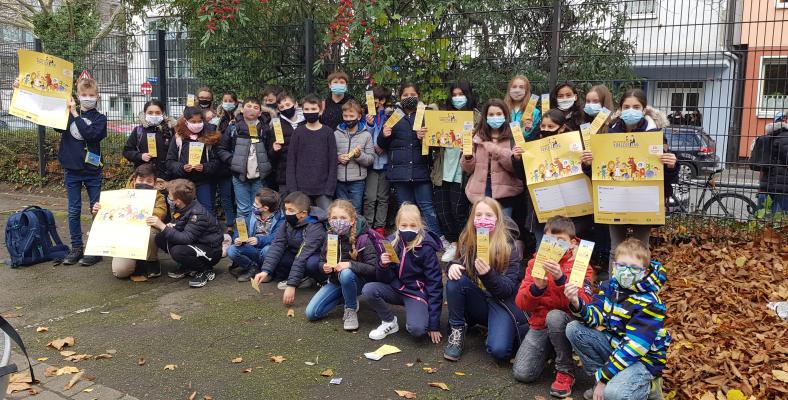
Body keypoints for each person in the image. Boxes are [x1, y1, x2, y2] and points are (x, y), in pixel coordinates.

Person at [565, 238, 671, 400]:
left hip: (642, 359)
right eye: (622, 266)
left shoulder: (651, 304)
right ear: (614, 266)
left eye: (634, 268)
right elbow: (595, 317)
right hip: (616, 347)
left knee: (614, 394)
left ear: (645, 271)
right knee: (574, 329)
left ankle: (648, 387)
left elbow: (634, 348)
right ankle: (605, 380)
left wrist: (603, 379)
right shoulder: (610, 286)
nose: (626, 272)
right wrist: (576, 303)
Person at [583, 89, 677, 255]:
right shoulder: (609, 134)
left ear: (644, 109)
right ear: (621, 109)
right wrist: (590, 164)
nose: (630, 110)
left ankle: (640, 281)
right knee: (615, 249)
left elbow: (666, 176)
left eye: (636, 106)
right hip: (615, 199)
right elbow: (599, 173)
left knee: (641, 248)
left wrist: (671, 165)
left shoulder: (655, 134)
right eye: (626, 107)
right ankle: (614, 281)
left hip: (644, 200)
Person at [512, 216, 594, 398]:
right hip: (540, 324)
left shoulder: (581, 264)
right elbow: (521, 303)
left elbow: (584, 303)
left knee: (555, 316)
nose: (555, 246)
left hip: (568, 325)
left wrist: (560, 280)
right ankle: (552, 349)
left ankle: (565, 369)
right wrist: (536, 288)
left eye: (561, 241)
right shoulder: (535, 263)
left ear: (572, 243)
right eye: (550, 240)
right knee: (522, 373)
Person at [443, 198, 528, 362]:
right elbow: (459, 261)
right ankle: (457, 331)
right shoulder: (469, 239)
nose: (483, 219)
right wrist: (451, 266)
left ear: (497, 218)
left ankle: (496, 326)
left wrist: (488, 274)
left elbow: (508, 289)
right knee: (455, 279)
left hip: (500, 302)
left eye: (489, 215)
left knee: (500, 352)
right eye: (479, 214)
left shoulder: (510, 247)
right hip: (478, 299)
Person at [361, 204, 443, 343]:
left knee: (417, 330)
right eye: (403, 225)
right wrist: (382, 265)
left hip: (416, 293)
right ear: (397, 225)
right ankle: (389, 321)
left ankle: (419, 313)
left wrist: (434, 325)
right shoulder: (391, 242)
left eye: (413, 225)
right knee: (369, 289)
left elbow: (435, 285)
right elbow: (384, 279)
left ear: (420, 226)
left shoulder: (426, 248)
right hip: (396, 288)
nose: (408, 229)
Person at [377, 82, 443, 239]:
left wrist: (424, 139)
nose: (409, 97)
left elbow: (437, 145)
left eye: (413, 94)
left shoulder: (426, 114)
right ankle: (407, 239)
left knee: (427, 206)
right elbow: (381, 145)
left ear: (418, 96)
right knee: (405, 207)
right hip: (399, 172)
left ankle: (436, 238)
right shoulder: (393, 116)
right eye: (405, 95)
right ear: (400, 97)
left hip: (422, 170)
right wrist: (384, 135)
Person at [304, 199, 379, 330]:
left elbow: (373, 268)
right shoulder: (330, 236)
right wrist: (323, 267)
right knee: (312, 313)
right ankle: (346, 297)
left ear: (352, 220)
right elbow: (321, 260)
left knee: (346, 273)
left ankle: (350, 310)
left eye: (343, 218)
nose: (338, 221)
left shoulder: (363, 238)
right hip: (335, 281)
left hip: (358, 281)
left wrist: (349, 264)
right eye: (334, 218)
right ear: (329, 220)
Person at [56, 78, 107, 266]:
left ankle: (96, 249)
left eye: (91, 95)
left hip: (92, 170)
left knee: (96, 209)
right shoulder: (67, 114)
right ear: (78, 96)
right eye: (84, 95)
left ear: (97, 97)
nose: (88, 98)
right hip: (72, 170)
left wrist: (76, 114)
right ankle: (76, 247)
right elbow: (49, 120)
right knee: (73, 210)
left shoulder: (100, 119)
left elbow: (91, 134)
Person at [92, 164, 167, 279]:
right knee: (120, 272)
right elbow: (108, 215)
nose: (144, 183)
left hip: (145, 231)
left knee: (153, 232)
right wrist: (98, 211)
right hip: (125, 238)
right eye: (141, 180)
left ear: (154, 182)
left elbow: (161, 213)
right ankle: (135, 261)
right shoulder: (121, 194)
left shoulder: (158, 196)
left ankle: (152, 260)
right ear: (134, 179)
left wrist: (141, 211)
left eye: (149, 181)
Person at [252, 191, 328, 305]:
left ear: (303, 213)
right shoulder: (288, 222)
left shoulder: (315, 226)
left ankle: (322, 281)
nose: (287, 213)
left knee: (311, 263)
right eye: (286, 209)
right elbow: (278, 244)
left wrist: (291, 286)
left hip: (313, 256)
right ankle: (302, 278)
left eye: (291, 210)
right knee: (268, 251)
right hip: (295, 254)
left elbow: (302, 255)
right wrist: (265, 271)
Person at [147, 179, 224, 288]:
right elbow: (182, 225)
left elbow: (186, 238)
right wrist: (172, 226)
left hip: (211, 251)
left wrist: (162, 226)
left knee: (177, 251)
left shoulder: (197, 214)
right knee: (160, 237)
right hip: (196, 243)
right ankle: (188, 266)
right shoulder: (183, 207)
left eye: (170, 196)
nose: (168, 198)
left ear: (178, 201)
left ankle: (205, 270)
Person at [433, 81, 475, 262]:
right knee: (443, 210)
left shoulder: (477, 117)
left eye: (461, 94)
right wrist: (427, 134)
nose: (458, 98)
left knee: (459, 210)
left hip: (462, 172)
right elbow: (432, 142)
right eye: (454, 95)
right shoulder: (443, 116)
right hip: (443, 170)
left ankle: (463, 244)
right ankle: (453, 242)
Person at [462, 99, 524, 218]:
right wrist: (468, 156)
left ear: (505, 115)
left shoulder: (514, 137)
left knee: (504, 227)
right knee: (483, 226)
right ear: (485, 117)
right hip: (480, 190)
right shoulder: (477, 136)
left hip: (505, 193)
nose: (495, 117)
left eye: (499, 114)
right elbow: (468, 169)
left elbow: (515, 168)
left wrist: (497, 150)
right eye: (491, 114)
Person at [216, 97, 276, 220]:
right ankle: (242, 237)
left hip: (259, 177)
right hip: (239, 177)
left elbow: (270, 154)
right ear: (242, 109)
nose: (252, 109)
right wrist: (233, 162)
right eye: (248, 106)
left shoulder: (265, 129)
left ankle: (256, 236)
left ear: (260, 113)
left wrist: (274, 151)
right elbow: (221, 149)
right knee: (243, 209)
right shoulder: (233, 128)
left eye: (256, 107)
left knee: (258, 209)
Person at [166, 106, 221, 214]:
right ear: (186, 121)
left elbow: (216, 161)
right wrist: (182, 167)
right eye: (193, 121)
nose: (197, 124)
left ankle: (206, 230)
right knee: (183, 211)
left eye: (199, 121)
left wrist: (205, 167)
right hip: (183, 183)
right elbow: (169, 161)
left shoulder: (210, 136)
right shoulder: (178, 137)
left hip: (203, 182)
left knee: (206, 210)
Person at [287, 94, 338, 210]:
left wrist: (329, 189)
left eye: (313, 109)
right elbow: (291, 162)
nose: (310, 112)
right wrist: (293, 189)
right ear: (302, 111)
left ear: (320, 111)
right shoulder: (298, 132)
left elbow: (333, 162)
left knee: (326, 220)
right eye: (307, 109)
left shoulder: (328, 133)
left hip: (323, 189)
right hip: (301, 190)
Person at [227, 188, 284, 282]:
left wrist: (259, 240)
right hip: (252, 248)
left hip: (267, 250)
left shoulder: (280, 219)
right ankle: (253, 268)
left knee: (268, 249)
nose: (253, 205)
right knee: (232, 250)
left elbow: (277, 237)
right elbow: (241, 228)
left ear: (265, 208)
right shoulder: (253, 212)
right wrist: (237, 238)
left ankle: (267, 271)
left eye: (257, 204)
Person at [334, 100, 374, 215]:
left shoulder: (366, 135)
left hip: (358, 181)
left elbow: (371, 159)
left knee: (355, 210)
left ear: (359, 116)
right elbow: (329, 155)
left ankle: (355, 233)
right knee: (341, 210)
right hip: (339, 180)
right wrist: (338, 158)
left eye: (351, 116)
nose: (348, 119)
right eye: (345, 116)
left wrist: (359, 156)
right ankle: (342, 232)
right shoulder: (336, 134)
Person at [363, 85, 392, 237]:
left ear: (383, 100)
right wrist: (368, 124)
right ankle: (368, 225)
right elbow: (364, 137)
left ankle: (380, 226)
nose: (375, 102)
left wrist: (383, 146)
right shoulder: (365, 116)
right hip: (371, 163)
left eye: (378, 99)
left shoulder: (390, 117)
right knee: (370, 197)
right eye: (372, 99)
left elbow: (392, 137)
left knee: (383, 197)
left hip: (386, 162)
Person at [123, 99, 175, 181]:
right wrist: (140, 156)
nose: (154, 115)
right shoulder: (138, 131)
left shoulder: (171, 131)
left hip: (166, 178)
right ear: (145, 113)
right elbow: (127, 151)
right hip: (144, 178)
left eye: (157, 113)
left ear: (163, 114)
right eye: (150, 113)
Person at [752, 111, 788, 213]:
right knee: (780, 223)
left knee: (762, 222)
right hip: (783, 190)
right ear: (785, 120)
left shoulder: (768, 137)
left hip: (765, 187)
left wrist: (761, 187)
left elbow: (762, 167)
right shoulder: (785, 137)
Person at [270, 92, 305, 195]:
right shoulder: (276, 125)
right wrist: (274, 150)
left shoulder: (307, 122)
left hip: (305, 174)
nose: (286, 108)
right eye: (282, 107)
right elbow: (271, 155)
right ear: (278, 110)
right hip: (284, 175)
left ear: (296, 104)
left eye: (288, 105)